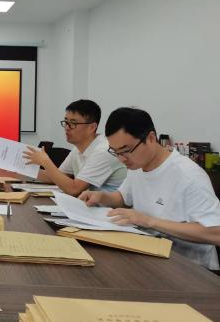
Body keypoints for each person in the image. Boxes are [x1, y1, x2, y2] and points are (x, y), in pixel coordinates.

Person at [79, 107, 220, 269]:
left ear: (151, 138)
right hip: (151, 253)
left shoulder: (188, 175)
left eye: (126, 150)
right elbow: (123, 197)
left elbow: (216, 233)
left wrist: (150, 221)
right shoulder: (137, 165)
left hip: (191, 267)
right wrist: (102, 197)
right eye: (115, 152)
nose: (121, 159)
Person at [23, 99, 126, 196]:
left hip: (110, 207)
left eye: (73, 123)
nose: (67, 128)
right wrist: (21, 170)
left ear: (92, 127)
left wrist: (45, 161)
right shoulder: (78, 147)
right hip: (91, 205)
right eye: (66, 122)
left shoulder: (103, 151)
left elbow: (74, 189)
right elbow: (57, 177)